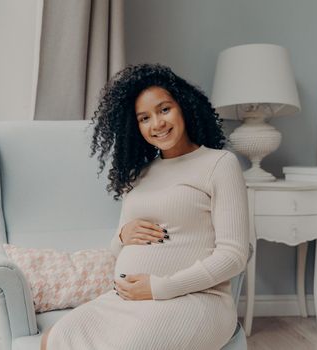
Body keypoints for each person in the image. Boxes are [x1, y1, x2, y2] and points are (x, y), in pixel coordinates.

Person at [40, 63, 249, 350]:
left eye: (164, 109)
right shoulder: (139, 175)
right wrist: (124, 235)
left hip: (197, 299)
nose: (157, 123)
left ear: (183, 107)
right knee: (55, 338)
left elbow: (234, 255)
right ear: (135, 127)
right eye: (144, 118)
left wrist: (160, 287)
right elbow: (116, 249)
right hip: (128, 299)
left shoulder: (219, 165)